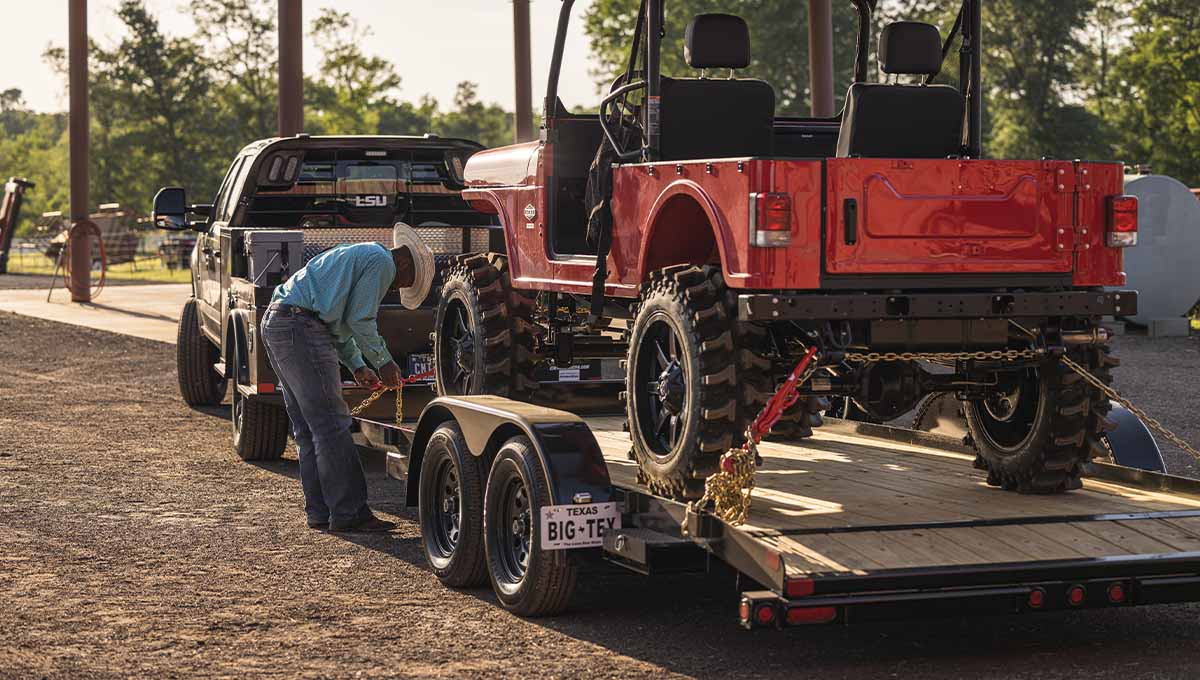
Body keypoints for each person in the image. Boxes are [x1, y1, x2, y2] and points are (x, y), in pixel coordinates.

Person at [260, 228, 431, 532]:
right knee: (332, 426)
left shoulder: (361, 254)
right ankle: (349, 512)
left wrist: (356, 365)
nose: (398, 287)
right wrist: (384, 362)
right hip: (301, 327)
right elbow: (359, 320)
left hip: (279, 322)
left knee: (308, 428)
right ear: (405, 265)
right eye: (406, 282)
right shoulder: (382, 263)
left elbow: (338, 321)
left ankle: (321, 511)